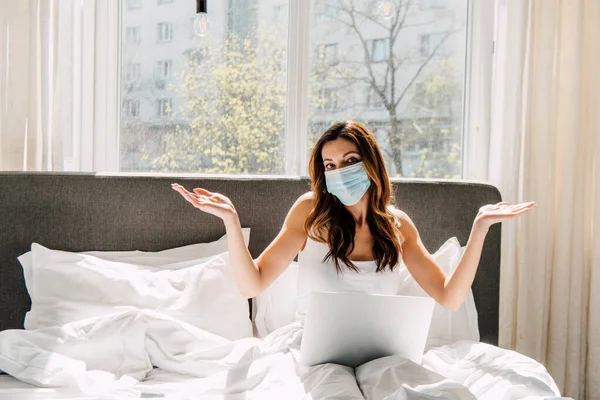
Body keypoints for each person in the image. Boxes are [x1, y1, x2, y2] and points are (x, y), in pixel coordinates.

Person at [171, 120, 535, 312]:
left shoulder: (398, 226)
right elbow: (252, 285)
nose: (340, 171)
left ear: (371, 164)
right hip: (313, 350)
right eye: (330, 165)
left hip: (381, 354)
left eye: (350, 161)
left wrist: (480, 228)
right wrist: (232, 221)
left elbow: (449, 298)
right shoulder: (310, 213)